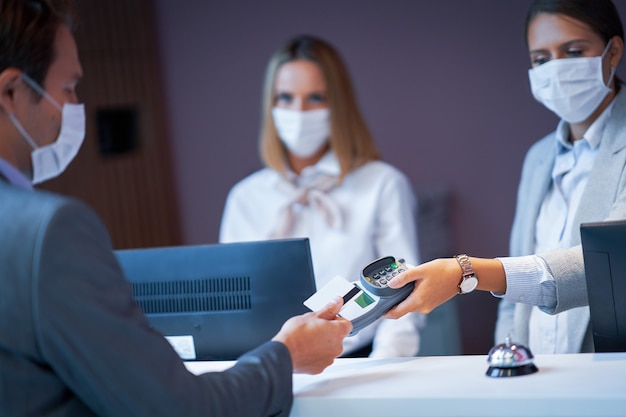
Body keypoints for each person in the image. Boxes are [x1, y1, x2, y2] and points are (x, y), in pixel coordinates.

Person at [0, 1, 352, 416]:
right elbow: (179, 408)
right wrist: (286, 354)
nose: (76, 106)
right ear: (12, 92)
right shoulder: (49, 231)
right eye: (69, 88)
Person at [385, 0, 626, 355]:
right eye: (541, 59)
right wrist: (507, 358)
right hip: (534, 370)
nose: (555, 69)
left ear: (613, 51)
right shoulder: (539, 158)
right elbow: (513, 300)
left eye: (573, 51)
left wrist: (464, 272)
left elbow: (604, 266)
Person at [219, 35, 425, 358]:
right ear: (270, 105)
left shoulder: (383, 184)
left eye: (315, 98)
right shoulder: (245, 198)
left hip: (358, 362)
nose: (299, 111)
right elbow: (230, 304)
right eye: (285, 97)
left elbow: (404, 300)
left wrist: (381, 379)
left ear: (338, 104)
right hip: (268, 367)